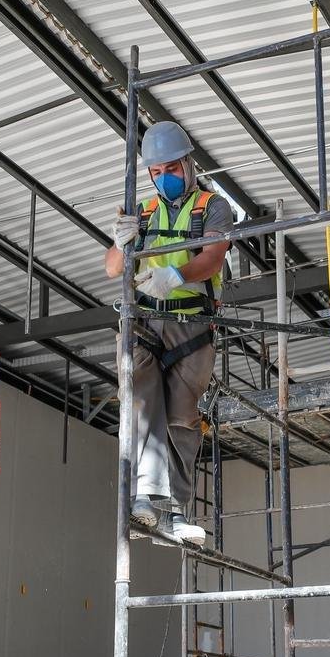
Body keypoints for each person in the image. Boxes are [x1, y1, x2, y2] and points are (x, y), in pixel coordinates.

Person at [105, 121, 232, 547]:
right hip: (146, 322)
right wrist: (122, 242)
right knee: (141, 402)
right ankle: (145, 499)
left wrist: (175, 274)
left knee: (181, 416)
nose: (164, 178)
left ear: (188, 164)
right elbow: (110, 269)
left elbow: (213, 258)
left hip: (192, 326)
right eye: (155, 172)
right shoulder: (140, 211)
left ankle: (175, 513)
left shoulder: (213, 207)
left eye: (171, 168)